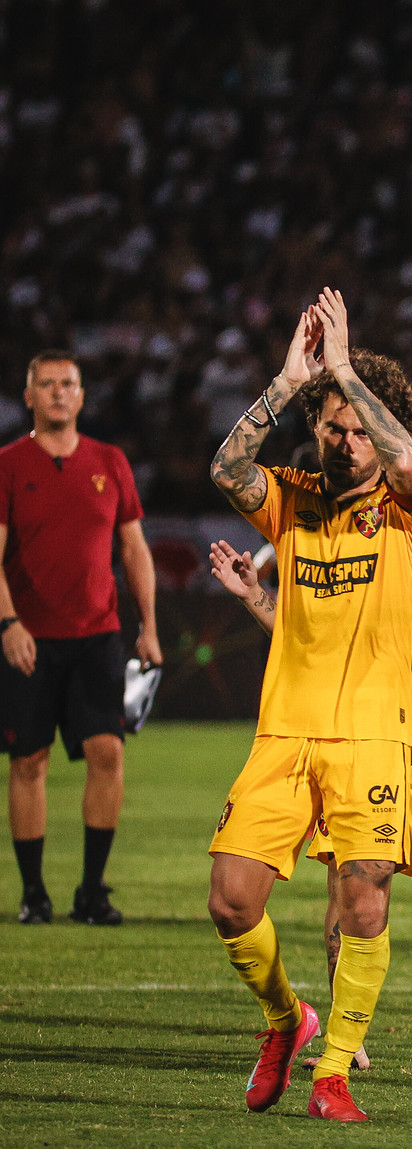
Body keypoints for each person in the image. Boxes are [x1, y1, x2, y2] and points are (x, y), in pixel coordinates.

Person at [211, 416, 412, 1066]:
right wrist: (257, 599)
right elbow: (311, 633)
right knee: (347, 885)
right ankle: (345, 1040)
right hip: (357, 730)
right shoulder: (346, 522)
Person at [204, 292, 412, 1121]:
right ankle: (286, 1018)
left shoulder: (410, 510)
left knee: (366, 894)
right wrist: (286, 381)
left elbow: (409, 463)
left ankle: (333, 1069)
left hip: (375, 735)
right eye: (331, 427)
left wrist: (343, 369)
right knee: (232, 900)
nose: (343, 442)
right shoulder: (294, 497)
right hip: (286, 732)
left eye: (355, 428)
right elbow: (227, 471)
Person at [2, 350, 159, 926]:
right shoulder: (9, 464)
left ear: (82, 394)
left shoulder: (109, 461)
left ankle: (92, 891)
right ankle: (34, 893)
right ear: (29, 396)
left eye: (68, 384)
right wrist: (8, 623)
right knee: (29, 760)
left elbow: (134, 548)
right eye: (46, 385)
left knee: (107, 751)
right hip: (31, 639)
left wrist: (148, 625)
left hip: (98, 635)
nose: (59, 393)